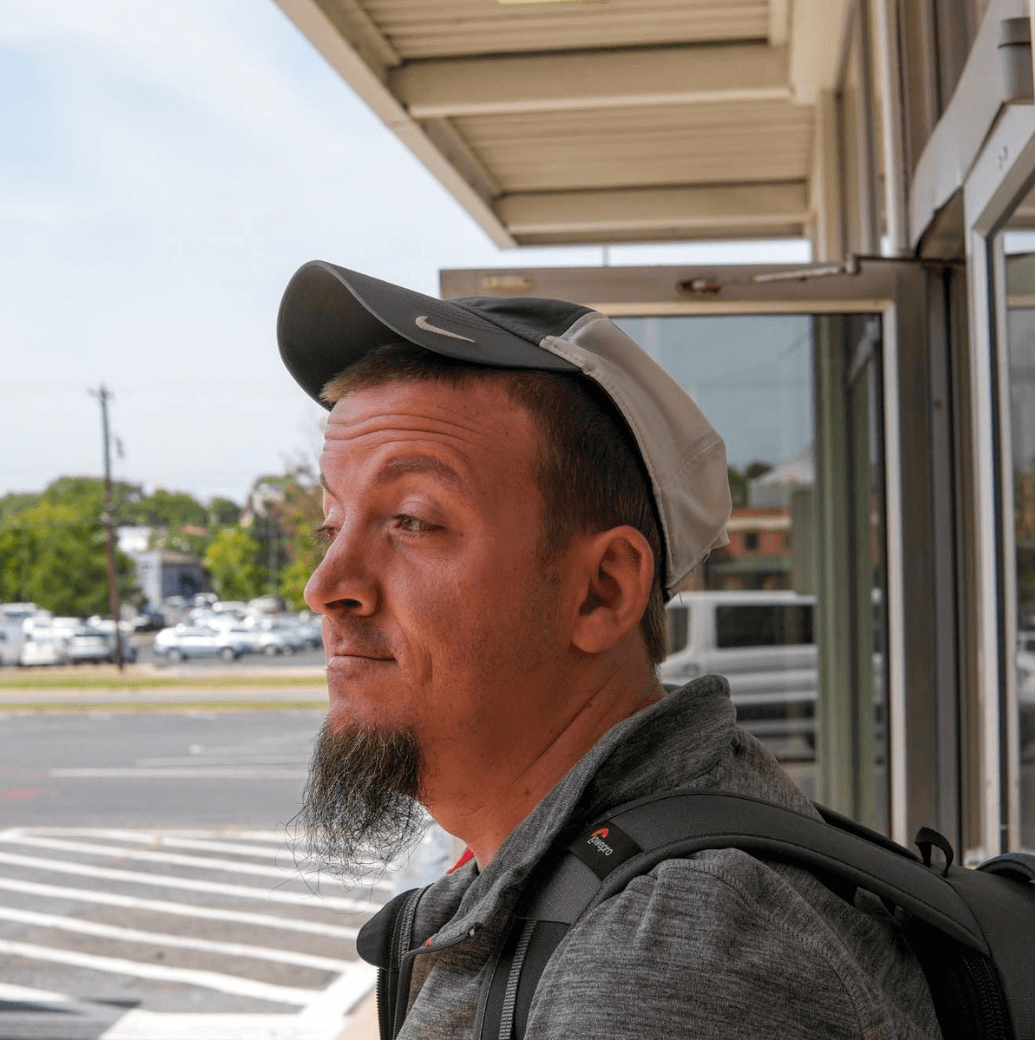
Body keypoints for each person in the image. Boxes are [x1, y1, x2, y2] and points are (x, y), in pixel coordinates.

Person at [278, 261, 937, 1038]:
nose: (327, 585)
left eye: (414, 520)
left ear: (601, 592)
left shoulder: (669, 964)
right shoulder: (588, 874)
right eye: (333, 525)